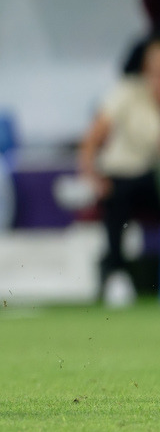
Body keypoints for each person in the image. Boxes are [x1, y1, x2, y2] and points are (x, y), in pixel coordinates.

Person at [79, 36, 160, 307]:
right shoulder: (126, 92)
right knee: (116, 202)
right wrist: (93, 178)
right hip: (120, 175)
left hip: (152, 178)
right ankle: (115, 273)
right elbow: (91, 140)